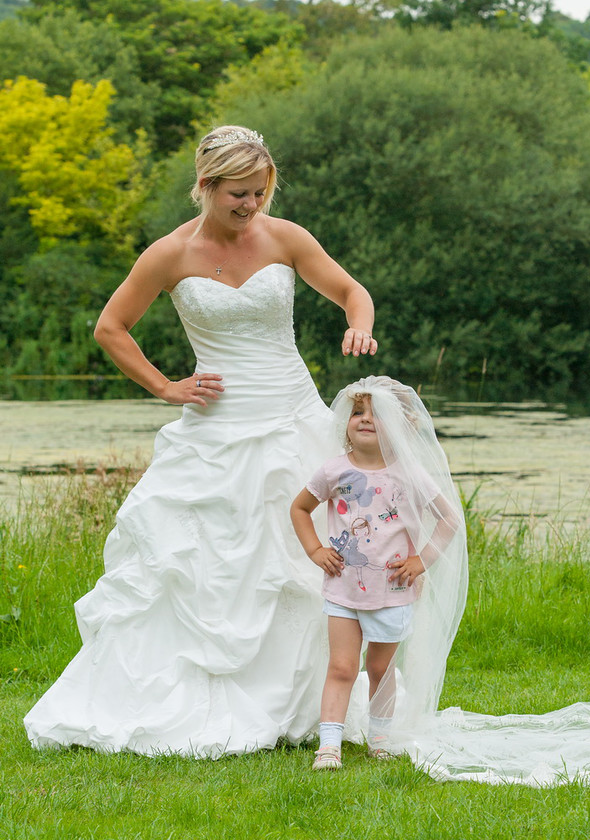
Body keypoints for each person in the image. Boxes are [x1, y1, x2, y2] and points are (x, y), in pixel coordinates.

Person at [23, 125, 379, 756]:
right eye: (239, 194)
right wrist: (166, 387)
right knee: (198, 561)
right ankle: (182, 701)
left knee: (301, 558)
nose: (251, 206)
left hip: (292, 412)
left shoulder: (286, 237)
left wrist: (359, 325)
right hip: (216, 426)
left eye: (260, 192)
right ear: (207, 186)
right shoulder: (168, 254)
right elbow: (111, 327)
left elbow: (353, 293)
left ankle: (310, 709)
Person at [290, 377, 466, 770]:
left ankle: (381, 738)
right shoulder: (333, 471)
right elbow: (299, 509)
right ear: (346, 422)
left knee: (381, 669)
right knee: (341, 667)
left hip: (392, 590)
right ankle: (329, 745)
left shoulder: (409, 473)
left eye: (375, 414)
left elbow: (449, 520)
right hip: (342, 590)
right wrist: (315, 549)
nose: (364, 419)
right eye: (357, 412)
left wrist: (421, 561)